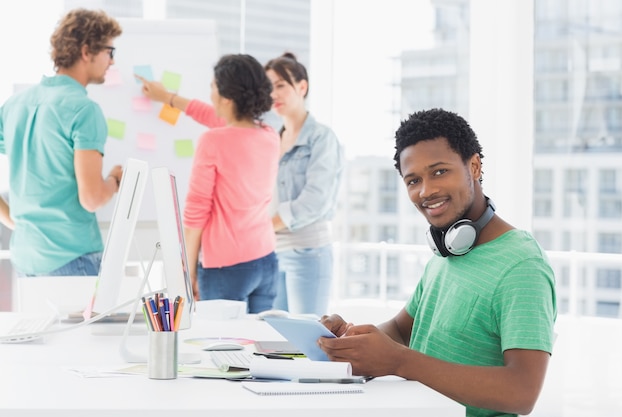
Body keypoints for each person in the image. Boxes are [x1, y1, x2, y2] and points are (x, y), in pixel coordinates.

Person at [318, 109, 557, 417]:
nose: (426, 191)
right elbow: (401, 331)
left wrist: (398, 361)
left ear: (473, 166)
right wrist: (352, 340)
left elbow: (521, 393)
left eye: (439, 172)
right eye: (413, 180)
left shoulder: (522, 265)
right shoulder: (447, 253)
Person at [137, 54, 280, 313]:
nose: (210, 94)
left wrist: (186, 271)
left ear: (226, 98)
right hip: (265, 261)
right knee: (260, 349)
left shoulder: (213, 141)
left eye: (213, 87)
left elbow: (195, 216)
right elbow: (217, 118)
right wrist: (168, 97)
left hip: (225, 268)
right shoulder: (269, 136)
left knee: (220, 349)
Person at [0, 9, 123, 276]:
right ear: (87, 51)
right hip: (71, 257)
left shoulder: (14, 106)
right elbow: (92, 199)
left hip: (26, 256)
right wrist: (114, 181)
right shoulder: (83, 110)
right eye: (109, 51)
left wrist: (14, 219)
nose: (111, 62)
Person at [264, 52, 344, 317]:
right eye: (269, 87)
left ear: (302, 86)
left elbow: (315, 200)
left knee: (305, 339)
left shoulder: (321, 138)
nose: (273, 94)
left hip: (308, 252)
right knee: (274, 340)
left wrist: (263, 227)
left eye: (280, 85)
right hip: (273, 252)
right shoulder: (271, 140)